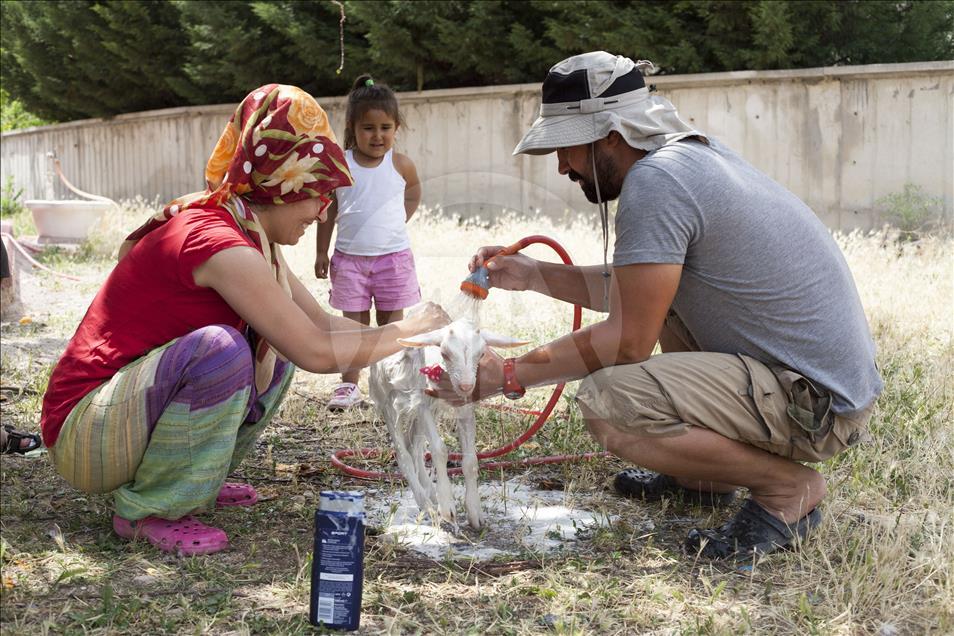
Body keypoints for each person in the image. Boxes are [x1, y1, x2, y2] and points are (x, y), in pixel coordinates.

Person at [432, 52, 883, 560]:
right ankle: (702, 478)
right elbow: (643, 287)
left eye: (566, 148)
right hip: (819, 388)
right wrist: (536, 274)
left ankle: (787, 491)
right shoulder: (687, 159)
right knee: (660, 310)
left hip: (815, 406)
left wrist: (508, 375)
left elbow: (628, 341)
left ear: (610, 134)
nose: (560, 166)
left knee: (607, 400)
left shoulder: (656, 182)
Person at [39, 84, 448, 556]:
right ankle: (150, 509)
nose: (321, 212)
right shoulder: (219, 241)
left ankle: (194, 480)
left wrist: (424, 331)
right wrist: (405, 330)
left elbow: (319, 322)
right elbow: (316, 351)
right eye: (315, 193)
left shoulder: (249, 232)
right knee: (223, 351)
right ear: (281, 184)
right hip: (83, 433)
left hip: (119, 415)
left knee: (273, 346)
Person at [315, 74, 422, 411]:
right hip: (350, 261)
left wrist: (399, 219)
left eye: (385, 127)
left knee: (391, 325)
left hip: (392, 259)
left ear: (396, 128)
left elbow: (414, 193)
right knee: (353, 327)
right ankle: (349, 385)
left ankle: (394, 383)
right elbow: (329, 210)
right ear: (353, 127)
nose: (377, 135)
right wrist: (321, 250)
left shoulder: (400, 164)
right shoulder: (341, 166)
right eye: (369, 128)